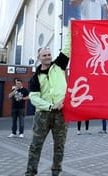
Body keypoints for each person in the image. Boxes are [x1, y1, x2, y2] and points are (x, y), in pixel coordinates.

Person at [25, 28, 71, 176]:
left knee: (59, 146)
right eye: (44, 55)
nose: (47, 57)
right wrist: (51, 106)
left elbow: (68, 47)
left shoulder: (59, 66)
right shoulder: (35, 77)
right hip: (43, 115)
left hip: (61, 115)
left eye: (49, 54)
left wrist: (72, 27)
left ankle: (56, 172)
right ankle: (30, 172)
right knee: (35, 145)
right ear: (39, 58)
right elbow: (34, 98)